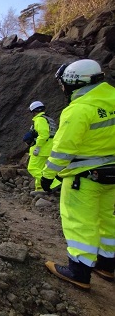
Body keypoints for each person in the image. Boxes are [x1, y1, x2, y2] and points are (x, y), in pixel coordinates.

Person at [41, 59, 115, 290]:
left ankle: (79, 270)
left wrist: (47, 176)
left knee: (80, 221)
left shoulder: (78, 110)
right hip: (112, 174)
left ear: (73, 82)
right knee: (107, 219)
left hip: (84, 177)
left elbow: (62, 151)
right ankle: (106, 264)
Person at [25, 101, 60, 195]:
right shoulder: (48, 119)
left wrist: (37, 147)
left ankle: (53, 183)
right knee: (42, 169)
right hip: (49, 148)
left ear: (34, 111)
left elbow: (44, 135)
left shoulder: (39, 120)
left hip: (41, 149)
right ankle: (40, 188)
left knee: (32, 168)